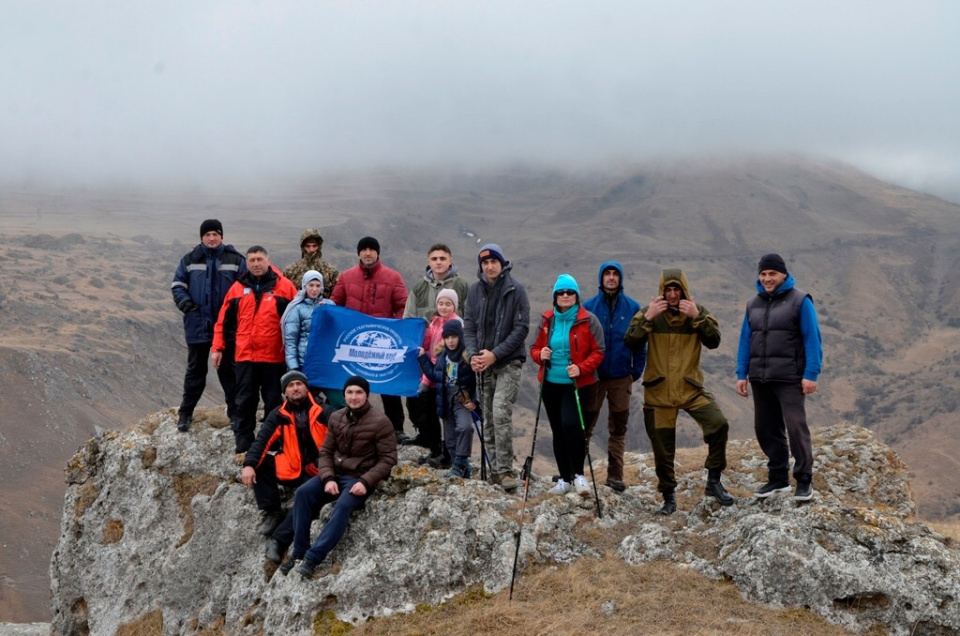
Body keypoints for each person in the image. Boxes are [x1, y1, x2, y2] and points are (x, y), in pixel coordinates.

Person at [624, 269, 734, 515]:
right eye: (668, 290)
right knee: (663, 450)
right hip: (659, 392)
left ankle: (714, 481)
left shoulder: (697, 312)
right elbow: (630, 341)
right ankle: (668, 498)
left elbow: (714, 341)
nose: (673, 295)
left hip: (690, 389)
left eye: (677, 289)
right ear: (661, 291)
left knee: (718, 424)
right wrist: (648, 318)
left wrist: (697, 317)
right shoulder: (650, 313)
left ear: (684, 290)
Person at [280, 375, 398, 579]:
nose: (354, 397)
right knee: (303, 493)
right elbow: (325, 452)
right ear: (344, 395)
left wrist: (365, 482)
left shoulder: (380, 422)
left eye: (359, 392)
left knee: (343, 505)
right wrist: (328, 478)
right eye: (349, 392)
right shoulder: (336, 417)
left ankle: (312, 559)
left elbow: (388, 459)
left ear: (366, 395)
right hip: (335, 474)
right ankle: (298, 552)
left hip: (360, 478)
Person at [736, 253, 823, 502]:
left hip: (789, 377)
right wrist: (742, 373)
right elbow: (745, 340)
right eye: (763, 274)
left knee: (795, 426)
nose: (767, 279)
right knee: (765, 428)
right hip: (760, 377)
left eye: (772, 274)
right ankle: (778, 479)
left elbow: (812, 338)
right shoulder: (753, 304)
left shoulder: (800, 301)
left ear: (783, 274)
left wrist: (811, 374)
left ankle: (804, 480)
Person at [212, 246, 298, 453]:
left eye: (260, 259)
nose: (256, 264)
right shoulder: (237, 288)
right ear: (247, 263)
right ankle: (244, 440)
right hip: (245, 356)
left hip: (273, 357)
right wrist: (217, 347)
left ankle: (272, 439)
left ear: (268, 260)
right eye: (252, 260)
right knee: (244, 400)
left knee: (273, 400)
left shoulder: (285, 287)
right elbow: (223, 321)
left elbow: (298, 319)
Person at [241, 371, 328, 563]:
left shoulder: (324, 411)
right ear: (285, 392)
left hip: (319, 471)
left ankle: (278, 540)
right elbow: (262, 441)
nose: (295, 388)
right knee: (261, 464)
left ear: (306, 387)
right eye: (290, 385)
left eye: (299, 384)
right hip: (291, 466)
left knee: (305, 499)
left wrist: (324, 465)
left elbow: (339, 442)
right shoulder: (279, 414)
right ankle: (273, 511)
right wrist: (249, 465)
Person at [463, 243, 530, 492]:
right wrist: (473, 355)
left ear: (502, 263)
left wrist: (495, 354)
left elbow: (521, 329)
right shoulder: (474, 291)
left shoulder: (516, 290)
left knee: (500, 411)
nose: (490, 266)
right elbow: (469, 326)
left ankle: (505, 471)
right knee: (488, 417)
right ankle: (494, 470)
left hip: (508, 362)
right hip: (483, 363)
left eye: (494, 262)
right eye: (485, 263)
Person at [530, 274, 605, 497]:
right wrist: (540, 355)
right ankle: (564, 479)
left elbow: (599, 351)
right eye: (560, 292)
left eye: (570, 292)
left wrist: (581, 368)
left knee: (572, 425)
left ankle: (578, 475)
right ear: (555, 296)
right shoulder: (547, 320)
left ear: (576, 295)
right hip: (550, 383)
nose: (565, 296)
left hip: (577, 384)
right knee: (558, 430)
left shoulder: (588, 320)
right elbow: (534, 348)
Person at [330, 236, 410, 442]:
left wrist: (394, 330)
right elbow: (335, 304)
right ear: (358, 253)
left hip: (382, 344)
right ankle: (350, 425)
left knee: (388, 385)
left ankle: (396, 428)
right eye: (363, 249)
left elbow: (403, 307)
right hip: (353, 344)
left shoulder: (393, 277)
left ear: (377, 252)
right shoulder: (346, 277)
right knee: (352, 385)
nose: (367, 253)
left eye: (371, 249)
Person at [170, 219, 246, 432]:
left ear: (221, 236)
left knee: (229, 371)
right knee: (195, 371)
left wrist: (235, 311)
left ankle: (236, 415)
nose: (211, 238)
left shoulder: (235, 259)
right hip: (197, 325)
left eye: (215, 234)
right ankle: (185, 414)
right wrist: (186, 305)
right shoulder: (189, 259)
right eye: (207, 235)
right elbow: (177, 285)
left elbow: (245, 288)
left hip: (227, 327)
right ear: (201, 237)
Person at [582, 261, 646, 492]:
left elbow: (641, 342)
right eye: (607, 274)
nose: (611, 278)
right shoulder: (588, 308)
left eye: (615, 274)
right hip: (594, 377)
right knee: (585, 426)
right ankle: (575, 473)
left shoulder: (632, 307)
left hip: (621, 377)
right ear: (601, 278)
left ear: (620, 279)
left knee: (619, 427)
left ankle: (615, 475)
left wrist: (635, 371)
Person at [402, 244, 470, 451]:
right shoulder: (419, 288)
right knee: (419, 400)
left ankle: (450, 450)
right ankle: (428, 439)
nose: (438, 262)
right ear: (428, 261)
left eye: (442, 258)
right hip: (425, 357)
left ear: (450, 260)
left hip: (452, 362)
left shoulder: (462, 286)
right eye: (434, 258)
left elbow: (470, 319)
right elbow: (408, 318)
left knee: (445, 405)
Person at [417, 320, 478, 478]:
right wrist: (423, 358)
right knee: (450, 440)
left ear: (460, 337)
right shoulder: (442, 355)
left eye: (454, 337)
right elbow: (434, 375)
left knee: (465, 427)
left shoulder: (468, 356)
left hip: (462, 399)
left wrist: (475, 401)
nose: (450, 341)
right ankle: (463, 468)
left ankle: (458, 466)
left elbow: (478, 381)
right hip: (445, 399)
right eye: (447, 337)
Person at [410, 289, 463, 467]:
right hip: (432, 374)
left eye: (448, 304)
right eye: (441, 303)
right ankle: (435, 450)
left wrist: (426, 378)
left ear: (454, 306)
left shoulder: (456, 325)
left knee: (447, 418)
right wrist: (425, 330)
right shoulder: (435, 322)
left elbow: (444, 356)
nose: (444, 307)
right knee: (430, 414)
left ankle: (448, 455)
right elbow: (427, 345)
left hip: (444, 377)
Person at [282, 270, 344, 409]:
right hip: (305, 364)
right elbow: (291, 340)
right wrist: (294, 367)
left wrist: (328, 313)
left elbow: (337, 331)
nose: (314, 289)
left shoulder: (329, 305)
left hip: (327, 363)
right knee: (305, 403)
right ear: (304, 286)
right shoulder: (296, 308)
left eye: (318, 285)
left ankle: (334, 422)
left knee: (339, 401)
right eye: (311, 285)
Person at [282, 228, 340, 296]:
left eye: (314, 246)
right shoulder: (291, 271)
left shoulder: (331, 272)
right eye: (308, 246)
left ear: (319, 247)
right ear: (303, 247)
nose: (311, 249)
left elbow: (337, 296)